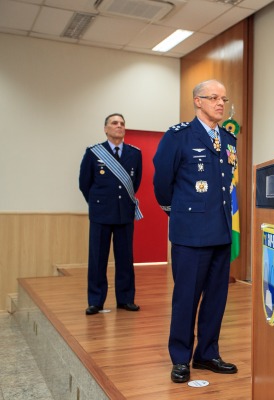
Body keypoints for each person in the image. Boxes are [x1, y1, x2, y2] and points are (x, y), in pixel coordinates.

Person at [153, 79, 238, 383]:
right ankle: (180, 357)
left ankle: (207, 353)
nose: (220, 103)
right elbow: (162, 182)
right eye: (213, 97)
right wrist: (175, 213)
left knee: (216, 297)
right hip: (190, 232)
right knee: (186, 297)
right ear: (197, 102)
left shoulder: (228, 140)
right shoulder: (179, 137)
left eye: (223, 98)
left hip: (221, 230)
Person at [79, 113, 143, 315]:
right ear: (106, 129)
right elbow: (84, 183)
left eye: (122, 124)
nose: (119, 126)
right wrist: (99, 204)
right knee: (98, 259)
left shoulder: (135, 153)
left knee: (125, 258)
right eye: (114, 123)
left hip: (124, 213)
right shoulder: (93, 153)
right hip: (100, 214)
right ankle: (96, 301)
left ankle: (125, 299)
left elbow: (136, 182)